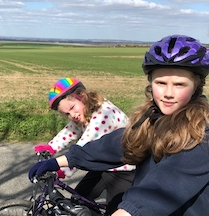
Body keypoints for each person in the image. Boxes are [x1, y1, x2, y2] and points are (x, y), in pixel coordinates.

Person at [29, 34, 209, 216]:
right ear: (151, 83)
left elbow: (164, 186)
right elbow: (119, 143)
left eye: (179, 84)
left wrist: (127, 211)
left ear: (196, 87)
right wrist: (59, 161)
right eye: (161, 83)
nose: (168, 93)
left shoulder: (201, 134)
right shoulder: (153, 119)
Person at [34, 77, 135, 214]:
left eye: (72, 108)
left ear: (82, 96)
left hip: (124, 169)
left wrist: (61, 169)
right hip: (103, 164)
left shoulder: (103, 115)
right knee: (79, 199)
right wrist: (51, 147)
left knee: (115, 210)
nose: (72, 115)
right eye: (67, 114)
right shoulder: (85, 111)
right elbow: (71, 130)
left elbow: (84, 149)